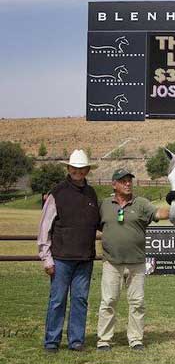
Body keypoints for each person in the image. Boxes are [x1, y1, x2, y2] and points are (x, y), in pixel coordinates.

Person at [96, 168, 170, 351]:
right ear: (114, 184)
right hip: (111, 263)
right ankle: (104, 340)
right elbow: (97, 226)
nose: (128, 183)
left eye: (129, 180)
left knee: (137, 302)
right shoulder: (104, 205)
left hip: (136, 263)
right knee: (108, 302)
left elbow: (159, 213)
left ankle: (136, 339)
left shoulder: (141, 203)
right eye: (123, 181)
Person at [37, 149, 99, 353]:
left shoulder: (91, 193)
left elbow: (98, 222)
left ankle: (76, 341)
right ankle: (52, 342)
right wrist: (47, 258)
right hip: (61, 258)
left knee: (80, 300)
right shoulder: (57, 193)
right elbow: (44, 227)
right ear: (68, 168)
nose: (77, 172)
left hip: (85, 258)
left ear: (87, 170)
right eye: (74, 168)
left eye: (81, 169)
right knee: (57, 301)